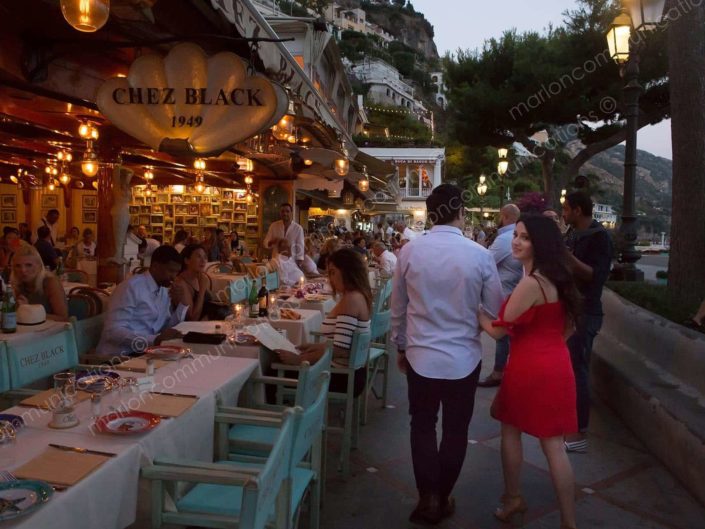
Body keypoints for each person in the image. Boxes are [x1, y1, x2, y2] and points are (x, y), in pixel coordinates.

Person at [391, 184, 503, 524]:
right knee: (456, 430)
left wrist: (400, 345)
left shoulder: (409, 252)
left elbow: (399, 308)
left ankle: (428, 499)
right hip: (463, 359)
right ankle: (442, 494)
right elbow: (496, 307)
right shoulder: (479, 255)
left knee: (422, 425)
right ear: (461, 213)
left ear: (429, 212)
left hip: (421, 356)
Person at [479, 214, 581, 529]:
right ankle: (568, 521)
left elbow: (497, 331)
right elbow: (570, 327)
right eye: (517, 234)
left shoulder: (531, 283)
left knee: (511, 430)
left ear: (540, 244)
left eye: (525, 237)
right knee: (554, 446)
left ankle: (513, 499)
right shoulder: (559, 279)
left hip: (529, 367)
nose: (517, 241)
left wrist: (473, 308)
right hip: (557, 364)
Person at [277, 247, 370, 396]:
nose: (329, 278)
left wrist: (299, 359)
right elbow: (340, 343)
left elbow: (339, 349)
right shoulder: (356, 296)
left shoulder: (351, 300)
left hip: (339, 376)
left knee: (272, 371)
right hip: (347, 373)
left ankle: (290, 417)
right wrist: (315, 347)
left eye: (333, 272)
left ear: (347, 271)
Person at [562, 191, 613, 452]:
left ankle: (578, 432)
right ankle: (568, 421)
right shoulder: (572, 234)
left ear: (578, 211)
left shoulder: (600, 237)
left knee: (578, 368)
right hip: (572, 309)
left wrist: (566, 256)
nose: (564, 213)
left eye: (566, 208)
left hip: (586, 312)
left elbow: (596, 275)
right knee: (571, 368)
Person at [97, 245, 188, 357]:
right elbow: (113, 332)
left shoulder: (163, 290)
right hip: (120, 356)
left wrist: (182, 303)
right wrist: (154, 340)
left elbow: (165, 328)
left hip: (147, 352)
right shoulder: (131, 288)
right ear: (155, 266)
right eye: (170, 271)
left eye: (176, 272)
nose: (174, 277)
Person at [479, 204, 524, 387]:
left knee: (503, 336)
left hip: (505, 293)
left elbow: (486, 264)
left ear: (503, 216)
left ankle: (498, 373)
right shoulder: (510, 237)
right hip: (511, 290)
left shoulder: (506, 238)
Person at [10, 244, 68, 320]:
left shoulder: (50, 282)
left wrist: (30, 310)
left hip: (53, 330)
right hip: (29, 329)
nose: (23, 270)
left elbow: (63, 318)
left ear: (39, 266)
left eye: (29, 265)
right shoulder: (18, 284)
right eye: (18, 266)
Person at [174, 244, 214, 321]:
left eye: (205, 257)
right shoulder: (180, 283)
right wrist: (202, 289)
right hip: (190, 329)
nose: (203, 261)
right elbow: (192, 319)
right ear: (187, 260)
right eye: (199, 256)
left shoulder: (199, 278)